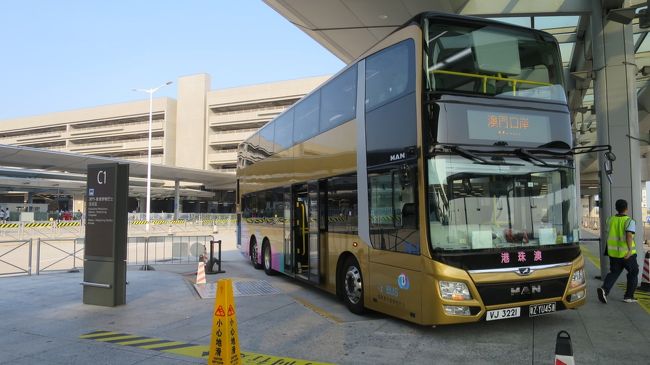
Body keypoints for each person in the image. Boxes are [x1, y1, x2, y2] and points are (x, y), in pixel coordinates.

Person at [597, 199, 639, 303]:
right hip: (627, 254)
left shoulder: (610, 220)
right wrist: (629, 250)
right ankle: (628, 296)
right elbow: (629, 235)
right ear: (626, 208)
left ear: (616, 208)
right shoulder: (629, 221)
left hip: (614, 254)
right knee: (634, 272)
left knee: (614, 272)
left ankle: (604, 289)